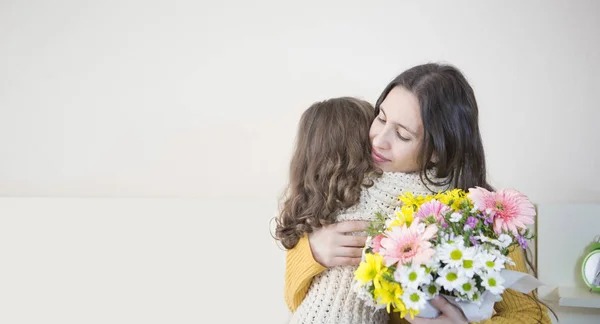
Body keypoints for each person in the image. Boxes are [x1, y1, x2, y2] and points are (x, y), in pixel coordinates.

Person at [282, 63, 551, 324]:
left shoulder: (482, 216)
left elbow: (532, 317)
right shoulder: (345, 186)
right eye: (381, 117)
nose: (379, 140)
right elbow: (298, 303)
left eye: (402, 134)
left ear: (437, 152)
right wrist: (312, 253)